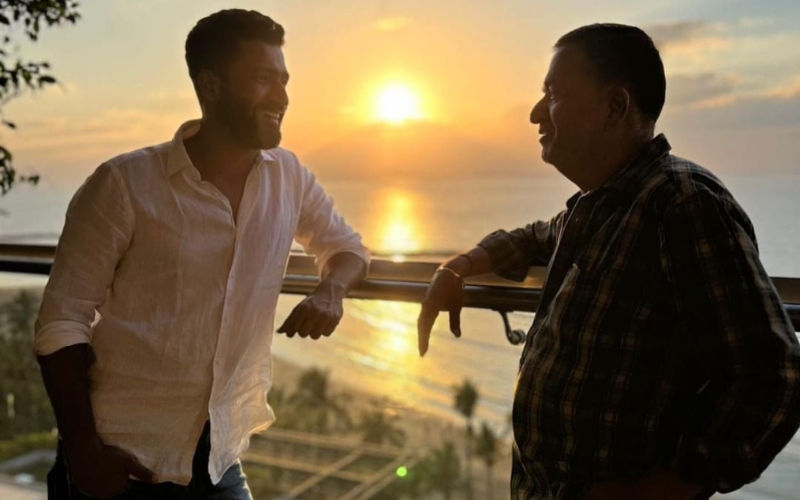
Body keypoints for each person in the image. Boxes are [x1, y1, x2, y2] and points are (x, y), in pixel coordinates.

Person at [417, 23, 800, 499]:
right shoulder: (600, 204)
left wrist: (662, 490)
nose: (536, 113)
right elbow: (536, 237)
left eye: (553, 93)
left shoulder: (681, 204)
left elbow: (774, 376)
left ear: (615, 106)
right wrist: (457, 267)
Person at [35, 9, 369, 499]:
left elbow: (347, 247)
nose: (280, 96)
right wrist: (84, 452)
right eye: (262, 79)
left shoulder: (289, 177)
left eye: (283, 80)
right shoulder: (124, 185)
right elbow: (61, 322)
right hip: (119, 457)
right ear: (210, 88)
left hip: (219, 459)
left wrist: (331, 291)